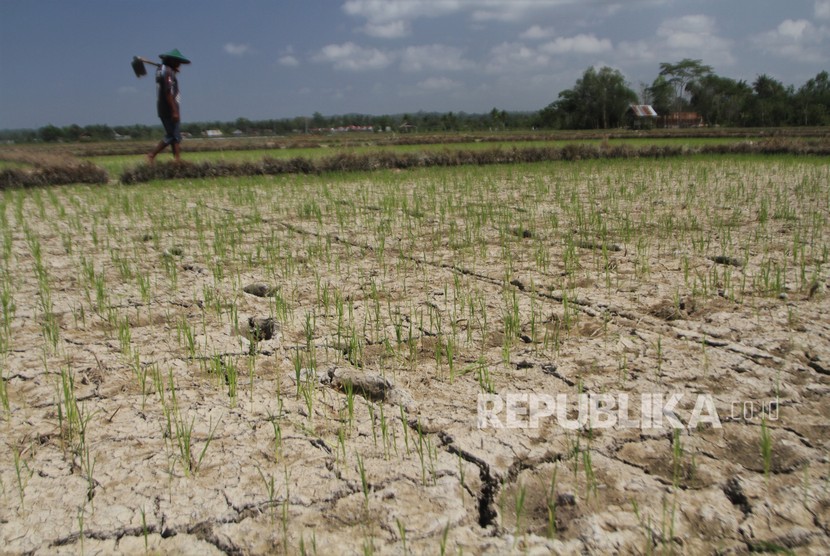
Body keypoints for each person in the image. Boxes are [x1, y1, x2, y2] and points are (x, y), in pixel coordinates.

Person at [147, 49, 190, 163]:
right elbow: (168, 92)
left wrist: (172, 71)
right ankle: (152, 154)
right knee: (172, 135)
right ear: (172, 61)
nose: (179, 65)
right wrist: (174, 110)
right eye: (177, 62)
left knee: (175, 136)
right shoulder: (167, 72)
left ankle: (177, 160)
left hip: (163, 107)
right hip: (169, 108)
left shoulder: (162, 70)